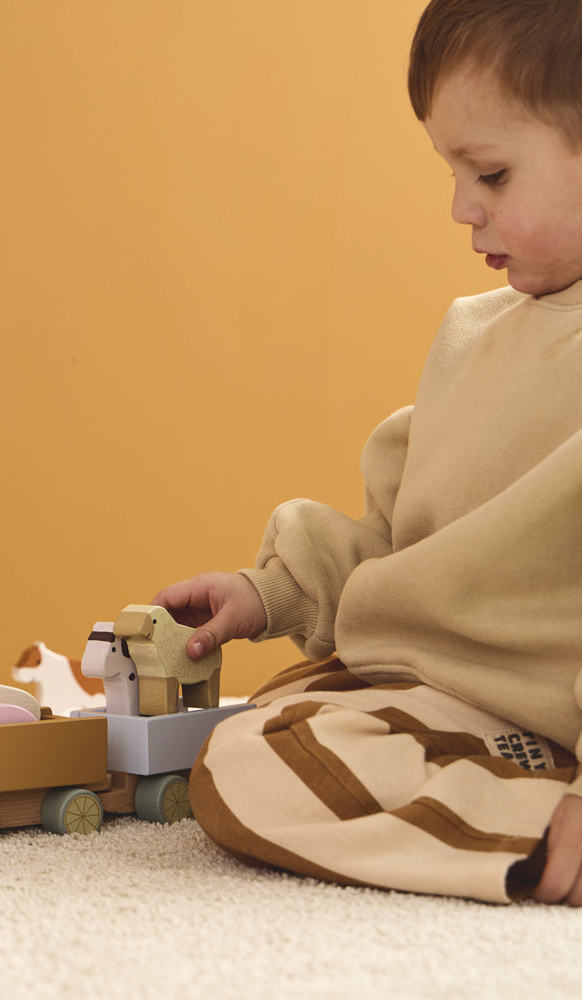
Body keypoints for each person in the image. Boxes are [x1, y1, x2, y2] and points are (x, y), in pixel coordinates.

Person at [155, 0, 582, 905]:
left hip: (540, 704)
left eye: (493, 174)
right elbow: (398, 534)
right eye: (454, 172)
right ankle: (530, 814)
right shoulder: (472, 338)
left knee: (256, 764)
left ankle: (534, 842)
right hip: (434, 687)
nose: (462, 208)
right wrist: (269, 591)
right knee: (271, 723)